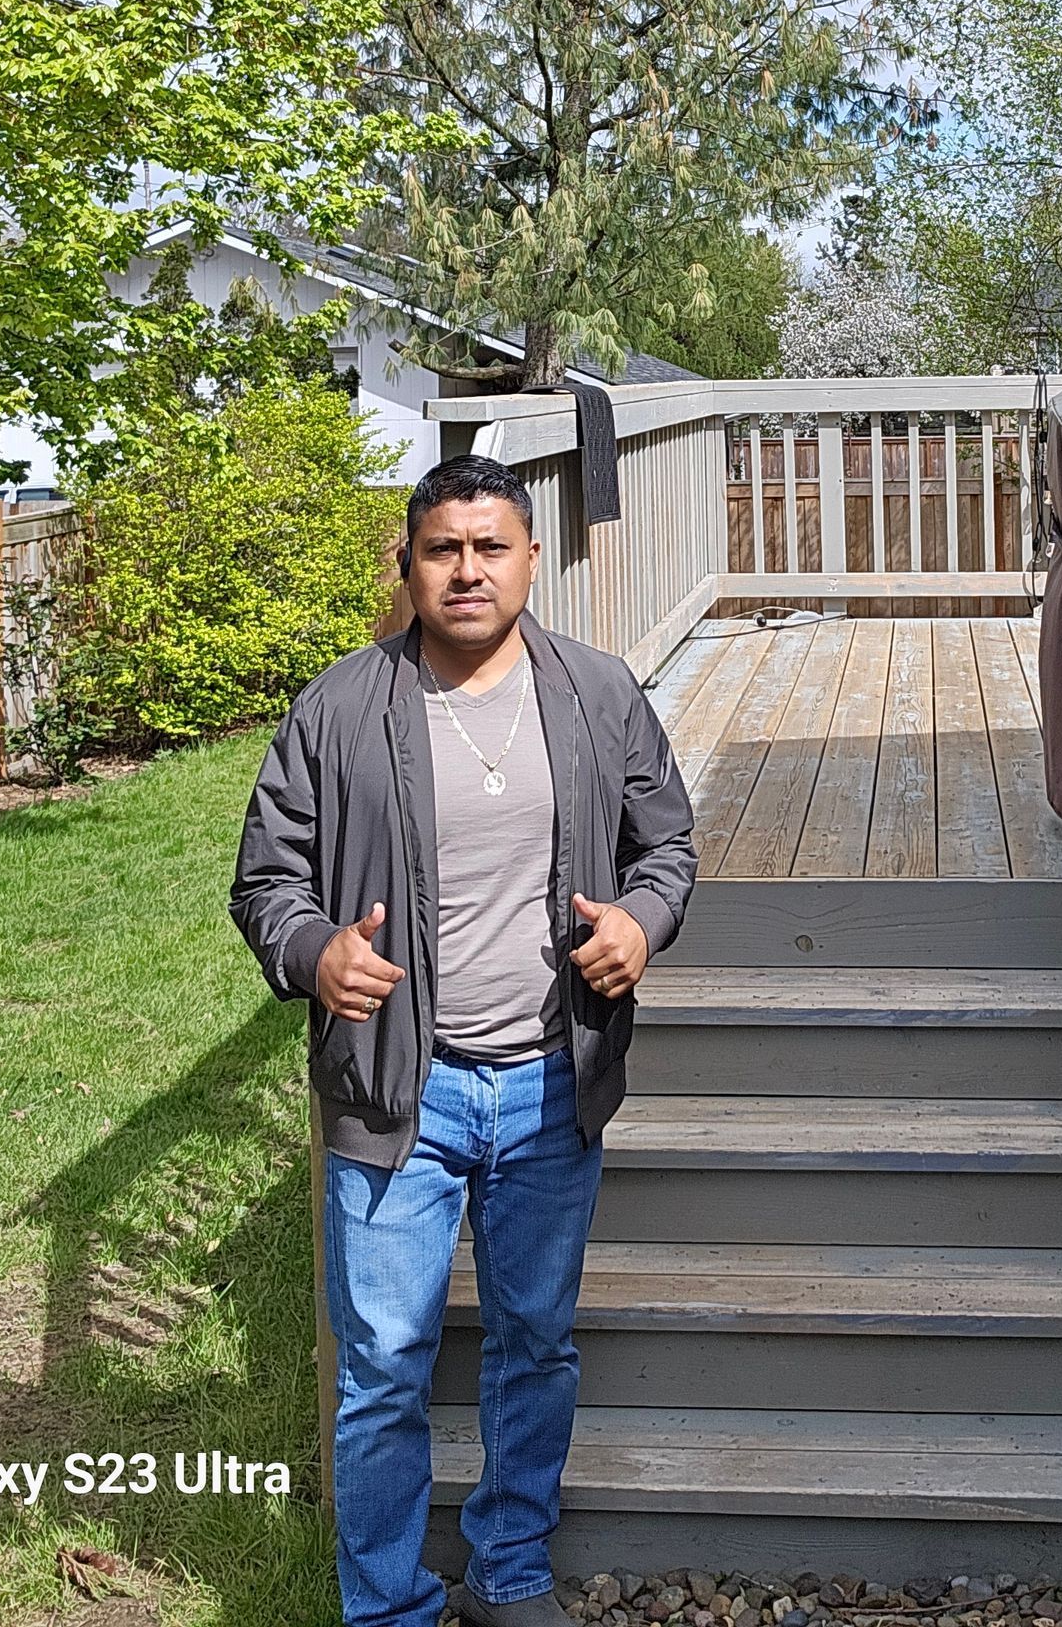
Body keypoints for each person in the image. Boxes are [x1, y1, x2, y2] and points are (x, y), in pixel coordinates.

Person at [230, 451, 698, 1627]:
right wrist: (312, 954)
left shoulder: (598, 694)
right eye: (444, 549)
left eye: (492, 547)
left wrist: (640, 923)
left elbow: (668, 847)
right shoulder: (340, 708)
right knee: (384, 1364)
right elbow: (267, 877)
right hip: (398, 1092)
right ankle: (387, 1602)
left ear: (532, 559)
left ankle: (510, 1568)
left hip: (553, 1080)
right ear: (412, 561)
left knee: (535, 1341)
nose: (469, 570)